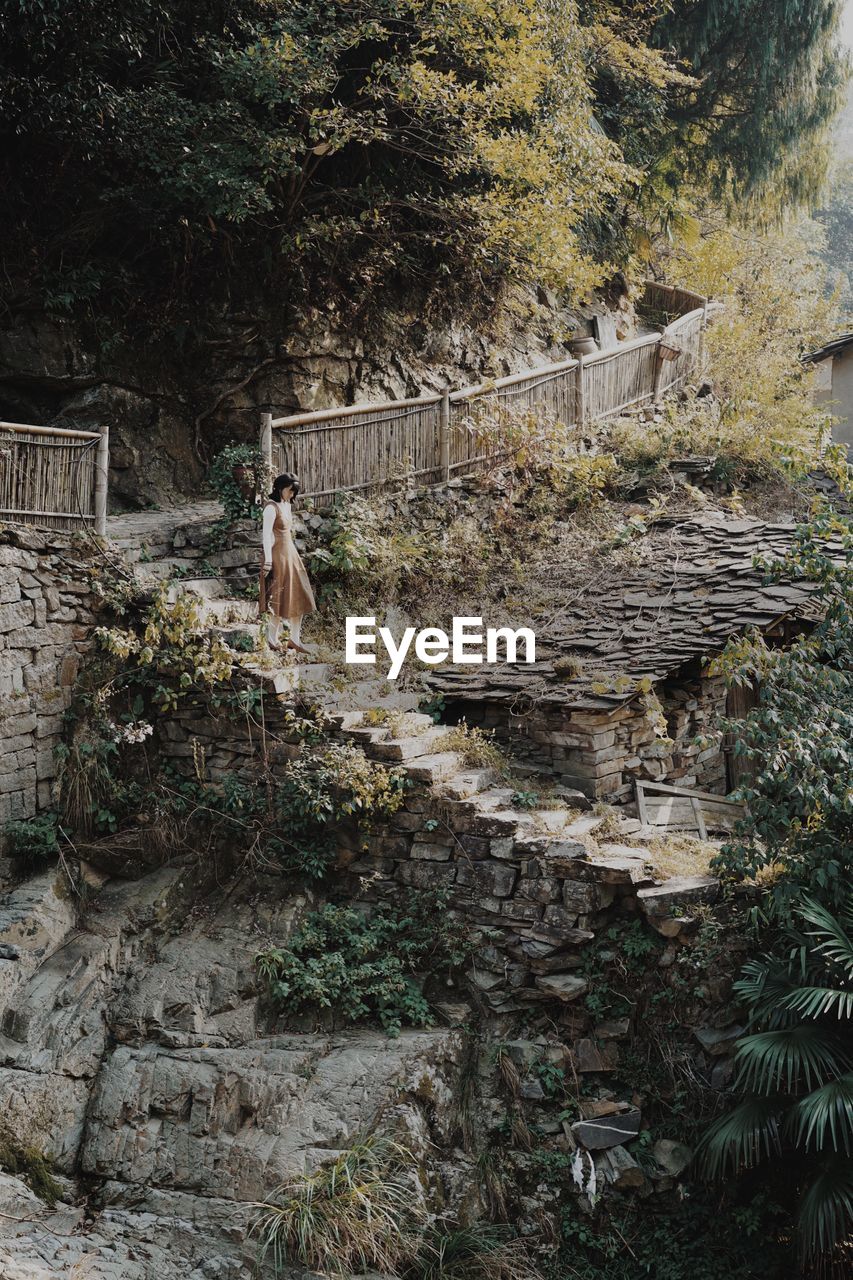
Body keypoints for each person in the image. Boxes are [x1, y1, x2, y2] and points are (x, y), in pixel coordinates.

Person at [259, 473, 316, 653]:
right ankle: (271, 638)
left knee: (299, 594)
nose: (291, 495)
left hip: (290, 552)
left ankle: (295, 639)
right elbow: (267, 535)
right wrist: (268, 559)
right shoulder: (271, 507)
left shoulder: (286, 505)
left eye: (294, 492)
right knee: (279, 596)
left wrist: (293, 552)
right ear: (279, 488)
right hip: (277, 555)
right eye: (290, 491)